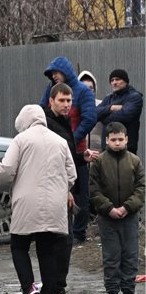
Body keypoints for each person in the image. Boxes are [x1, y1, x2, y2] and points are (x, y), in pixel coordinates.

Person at [0, 105, 76, 294]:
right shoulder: (60, 141)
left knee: (19, 244)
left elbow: (7, 170)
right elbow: (72, 175)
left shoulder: (21, 140)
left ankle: (28, 287)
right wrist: (62, 188)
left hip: (27, 202)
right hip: (54, 204)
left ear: (24, 121)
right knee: (47, 250)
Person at [38, 56, 96, 243]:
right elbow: (40, 113)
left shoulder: (82, 92)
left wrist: (70, 140)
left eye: (56, 72)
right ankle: (58, 232)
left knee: (79, 194)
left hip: (76, 152)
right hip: (51, 152)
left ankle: (78, 234)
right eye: (51, 73)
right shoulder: (50, 90)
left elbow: (89, 118)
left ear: (66, 71)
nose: (54, 76)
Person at [88, 122, 143, 294]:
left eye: (120, 139)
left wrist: (127, 207)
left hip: (130, 216)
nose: (117, 143)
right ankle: (112, 292)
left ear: (126, 139)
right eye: (113, 139)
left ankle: (128, 292)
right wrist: (109, 208)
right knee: (111, 255)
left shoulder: (134, 161)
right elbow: (94, 190)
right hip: (107, 217)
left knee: (130, 254)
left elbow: (141, 188)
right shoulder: (99, 162)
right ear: (107, 140)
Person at [43, 82, 83, 294]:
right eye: (62, 100)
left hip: (62, 188)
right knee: (60, 242)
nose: (67, 105)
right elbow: (52, 162)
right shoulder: (48, 125)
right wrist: (66, 189)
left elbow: (66, 157)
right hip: (55, 191)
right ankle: (56, 292)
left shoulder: (63, 122)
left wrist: (81, 157)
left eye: (69, 101)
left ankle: (54, 291)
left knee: (61, 243)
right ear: (51, 101)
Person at [96, 68, 142, 154]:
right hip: (107, 148)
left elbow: (124, 116)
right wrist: (111, 108)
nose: (114, 82)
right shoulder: (108, 98)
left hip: (127, 149)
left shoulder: (135, 97)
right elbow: (95, 113)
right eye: (112, 80)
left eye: (117, 79)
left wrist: (103, 118)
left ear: (125, 81)